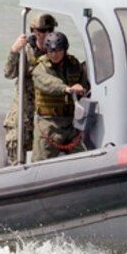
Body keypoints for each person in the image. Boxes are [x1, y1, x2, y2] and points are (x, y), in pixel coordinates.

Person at [3, 12, 57, 162]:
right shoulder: (25, 50)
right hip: (23, 113)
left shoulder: (56, 51)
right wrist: (14, 51)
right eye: (42, 31)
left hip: (45, 115)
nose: (46, 35)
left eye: (49, 30)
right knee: (16, 155)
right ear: (34, 31)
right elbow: (8, 73)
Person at [30, 31, 91, 162]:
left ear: (64, 50)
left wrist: (82, 90)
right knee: (40, 163)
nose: (54, 54)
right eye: (51, 51)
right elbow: (48, 83)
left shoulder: (74, 65)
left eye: (58, 51)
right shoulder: (40, 68)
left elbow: (84, 85)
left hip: (70, 124)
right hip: (48, 124)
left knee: (84, 159)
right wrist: (67, 89)